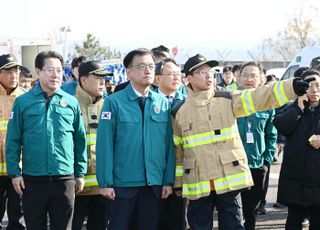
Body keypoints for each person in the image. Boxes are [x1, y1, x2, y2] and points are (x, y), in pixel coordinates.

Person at [171, 54, 311, 230]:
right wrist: (177, 183)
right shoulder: (179, 111)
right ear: (188, 78)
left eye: (210, 71)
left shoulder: (227, 99)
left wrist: (291, 87)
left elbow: (259, 97)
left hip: (228, 179)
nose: (209, 76)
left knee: (234, 225)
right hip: (198, 184)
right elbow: (178, 153)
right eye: (201, 72)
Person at [5, 50, 87, 230]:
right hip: (33, 180)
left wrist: (80, 172)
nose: (55, 75)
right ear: (38, 71)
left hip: (64, 179)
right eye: (50, 70)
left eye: (59, 70)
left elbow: (80, 140)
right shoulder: (23, 102)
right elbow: (13, 140)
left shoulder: (70, 102)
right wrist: (14, 173)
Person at [96, 48, 175, 230]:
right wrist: (105, 182)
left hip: (153, 183)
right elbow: (105, 145)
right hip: (122, 184)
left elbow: (168, 145)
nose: (147, 70)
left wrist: (167, 180)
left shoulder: (162, 102)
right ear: (129, 71)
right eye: (141, 66)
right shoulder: (114, 102)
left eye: (150, 66)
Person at [71, 61, 112, 230]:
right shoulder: (69, 104)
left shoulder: (110, 105)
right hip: (75, 185)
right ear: (83, 79)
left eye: (104, 78)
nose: (103, 82)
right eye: (98, 77)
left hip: (103, 187)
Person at [237, 62, 277, 230]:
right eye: (245, 75)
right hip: (233, 165)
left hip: (256, 164)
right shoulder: (228, 102)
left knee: (251, 210)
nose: (248, 79)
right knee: (232, 210)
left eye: (253, 76)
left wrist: (266, 161)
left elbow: (271, 135)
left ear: (261, 79)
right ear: (238, 78)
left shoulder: (267, 105)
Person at [155, 58, 187, 230]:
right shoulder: (148, 102)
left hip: (179, 176)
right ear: (157, 78)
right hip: (153, 175)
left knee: (177, 221)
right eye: (171, 73)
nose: (176, 77)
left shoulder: (187, 103)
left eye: (178, 73)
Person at [0, 54, 26, 229]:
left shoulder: (26, 98)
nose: (13, 75)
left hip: (20, 169)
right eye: (8, 71)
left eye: (16, 70)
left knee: (19, 219)